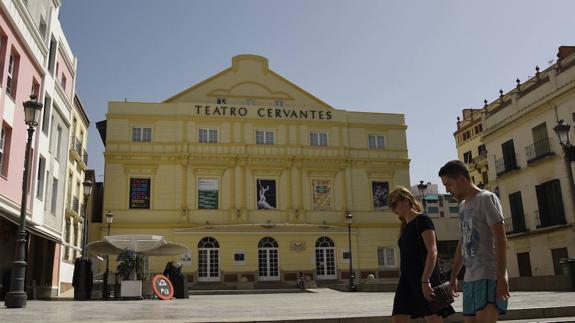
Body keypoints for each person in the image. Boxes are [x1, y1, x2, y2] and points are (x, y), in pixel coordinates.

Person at [438, 160, 510, 323]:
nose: (447, 190)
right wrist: (453, 275)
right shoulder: (463, 205)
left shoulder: (486, 199)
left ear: (462, 179)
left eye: (448, 184)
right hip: (470, 278)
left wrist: (501, 277)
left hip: (488, 275)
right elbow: (463, 240)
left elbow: (500, 238)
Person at [389, 186, 455, 322]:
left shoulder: (423, 220)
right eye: (391, 206)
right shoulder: (405, 228)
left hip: (424, 277)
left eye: (395, 203)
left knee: (433, 318)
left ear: (406, 200)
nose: (394, 209)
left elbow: (433, 250)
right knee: (398, 317)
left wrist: (425, 280)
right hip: (407, 280)